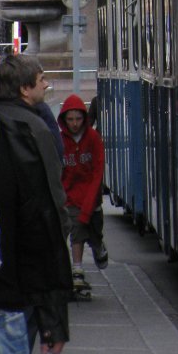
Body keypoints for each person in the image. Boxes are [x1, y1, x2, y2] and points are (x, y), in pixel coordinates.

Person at [0, 55, 72, 354]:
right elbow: (46, 221)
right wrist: (53, 319)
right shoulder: (31, 130)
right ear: (25, 89)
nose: (46, 85)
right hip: (13, 287)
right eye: (41, 80)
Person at [58, 95, 108, 301]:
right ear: (64, 120)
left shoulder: (93, 139)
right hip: (71, 198)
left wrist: (90, 203)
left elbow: (97, 173)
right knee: (77, 228)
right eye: (70, 120)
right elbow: (59, 172)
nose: (74, 124)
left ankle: (98, 246)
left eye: (78, 119)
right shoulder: (61, 142)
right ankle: (77, 270)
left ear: (84, 118)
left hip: (91, 196)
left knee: (94, 231)